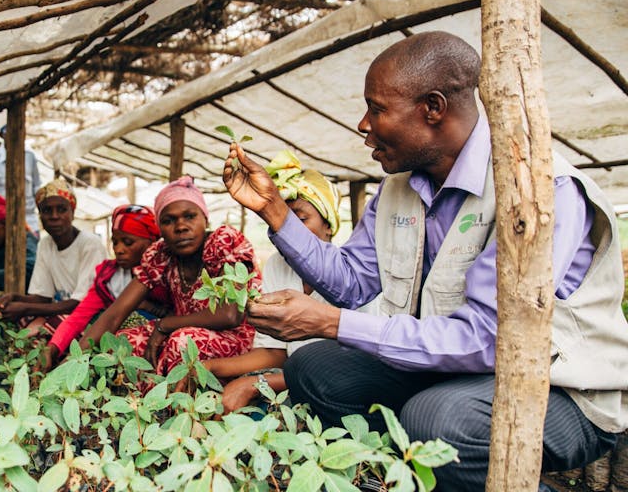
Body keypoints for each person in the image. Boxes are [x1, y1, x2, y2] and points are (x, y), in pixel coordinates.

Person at [223, 31, 628, 491]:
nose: (362, 124)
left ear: (433, 108)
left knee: (436, 420)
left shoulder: (537, 189)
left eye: (376, 109)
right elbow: (352, 283)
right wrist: (274, 210)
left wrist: (332, 323)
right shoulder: (398, 189)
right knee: (311, 368)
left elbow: (488, 339)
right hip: (453, 375)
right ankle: (404, 479)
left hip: (566, 390)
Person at [203, 151, 347, 412]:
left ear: (329, 224)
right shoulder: (277, 266)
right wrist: (210, 366)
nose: (289, 231)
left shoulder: (353, 276)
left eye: (301, 219)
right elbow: (275, 352)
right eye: (280, 220)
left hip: (334, 386)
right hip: (289, 377)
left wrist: (254, 384)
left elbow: (350, 368)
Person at [80, 176, 260, 375]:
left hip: (235, 339)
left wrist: (165, 325)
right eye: (168, 221)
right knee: (123, 343)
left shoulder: (223, 242)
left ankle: (177, 405)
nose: (180, 226)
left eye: (190, 216)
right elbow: (115, 314)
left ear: (205, 219)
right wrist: (73, 362)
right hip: (182, 331)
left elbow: (230, 315)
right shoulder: (162, 254)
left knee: (182, 342)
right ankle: (139, 403)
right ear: (160, 228)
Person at [41, 204, 167, 371]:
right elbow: (79, 316)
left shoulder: (165, 275)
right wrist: (53, 348)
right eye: (115, 242)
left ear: (152, 243)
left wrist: (150, 308)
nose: (119, 249)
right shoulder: (109, 277)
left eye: (128, 242)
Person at [0, 179, 106, 335]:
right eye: (47, 211)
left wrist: (25, 307)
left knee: (44, 326)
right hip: (63, 311)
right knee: (18, 317)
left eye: (61, 209)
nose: (54, 216)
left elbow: (82, 304)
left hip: (93, 315)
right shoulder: (45, 244)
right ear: (40, 217)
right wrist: (14, 297)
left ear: (72, 213)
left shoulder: (90, 244)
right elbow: (42, 297)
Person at [0, 125, 42, 233]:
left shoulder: (30, 156)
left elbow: (37, 186)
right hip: (4, 221)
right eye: (10, 134)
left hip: (29, 219)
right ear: (3, 136)